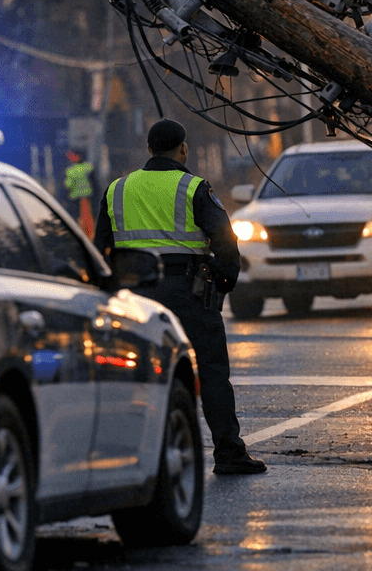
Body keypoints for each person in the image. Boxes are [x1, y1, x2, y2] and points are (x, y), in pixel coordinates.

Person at [93, 118, 266, 474]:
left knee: (136, 375)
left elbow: (100, 250)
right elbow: (225, 241)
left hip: (134, 298)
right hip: (188, 293)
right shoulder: (194, 188)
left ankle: (129, 457)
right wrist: (222, 281)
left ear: (149, 150)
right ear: (183, 149)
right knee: (211, 371)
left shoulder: (117, 190)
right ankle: (229, 453)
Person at [62, 148, 98, 236]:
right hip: (89, 198)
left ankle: (82, 237)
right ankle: (91, 237)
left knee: (79, 220)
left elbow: (68, 185)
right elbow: (96, 183)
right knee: (89, 218)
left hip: (76, 199)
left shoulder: (70, 171)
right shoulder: (89, 167)